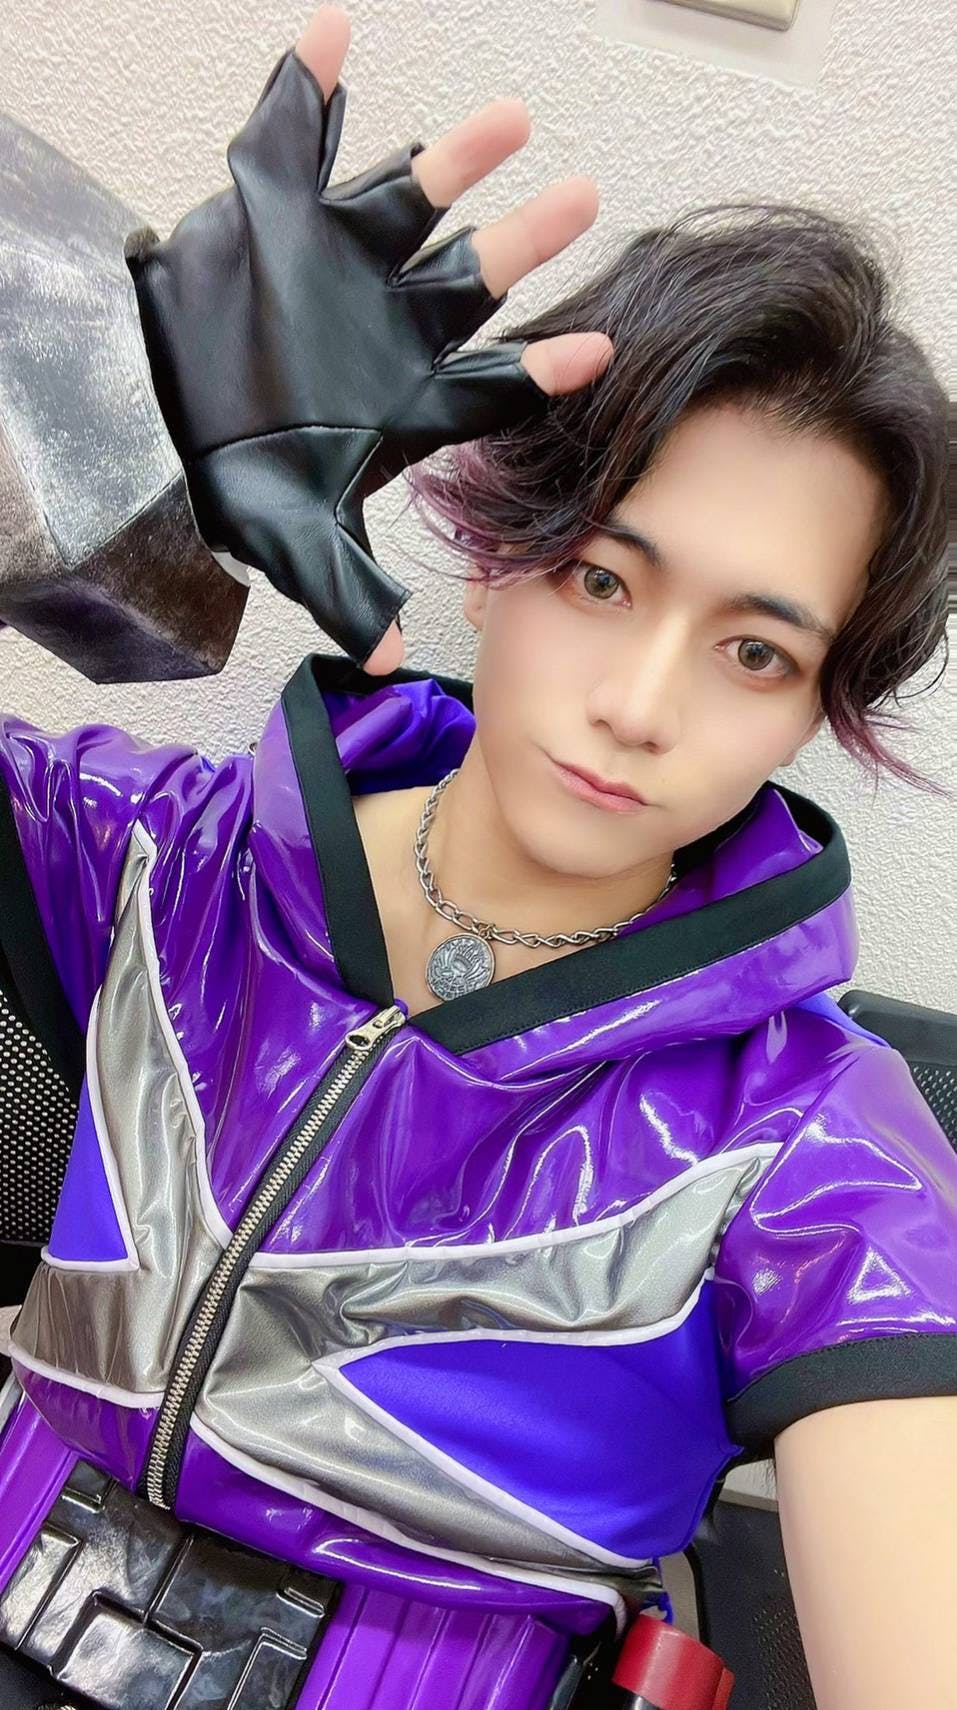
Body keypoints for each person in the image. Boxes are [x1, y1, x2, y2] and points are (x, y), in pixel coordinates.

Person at [0, 6, 955, 1708]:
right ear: (503, 547)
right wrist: (77, 414)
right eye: (602, 577)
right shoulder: (160, 856)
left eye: (753, 650)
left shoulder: (809, 1142)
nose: (639, 704)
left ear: (813, 706)